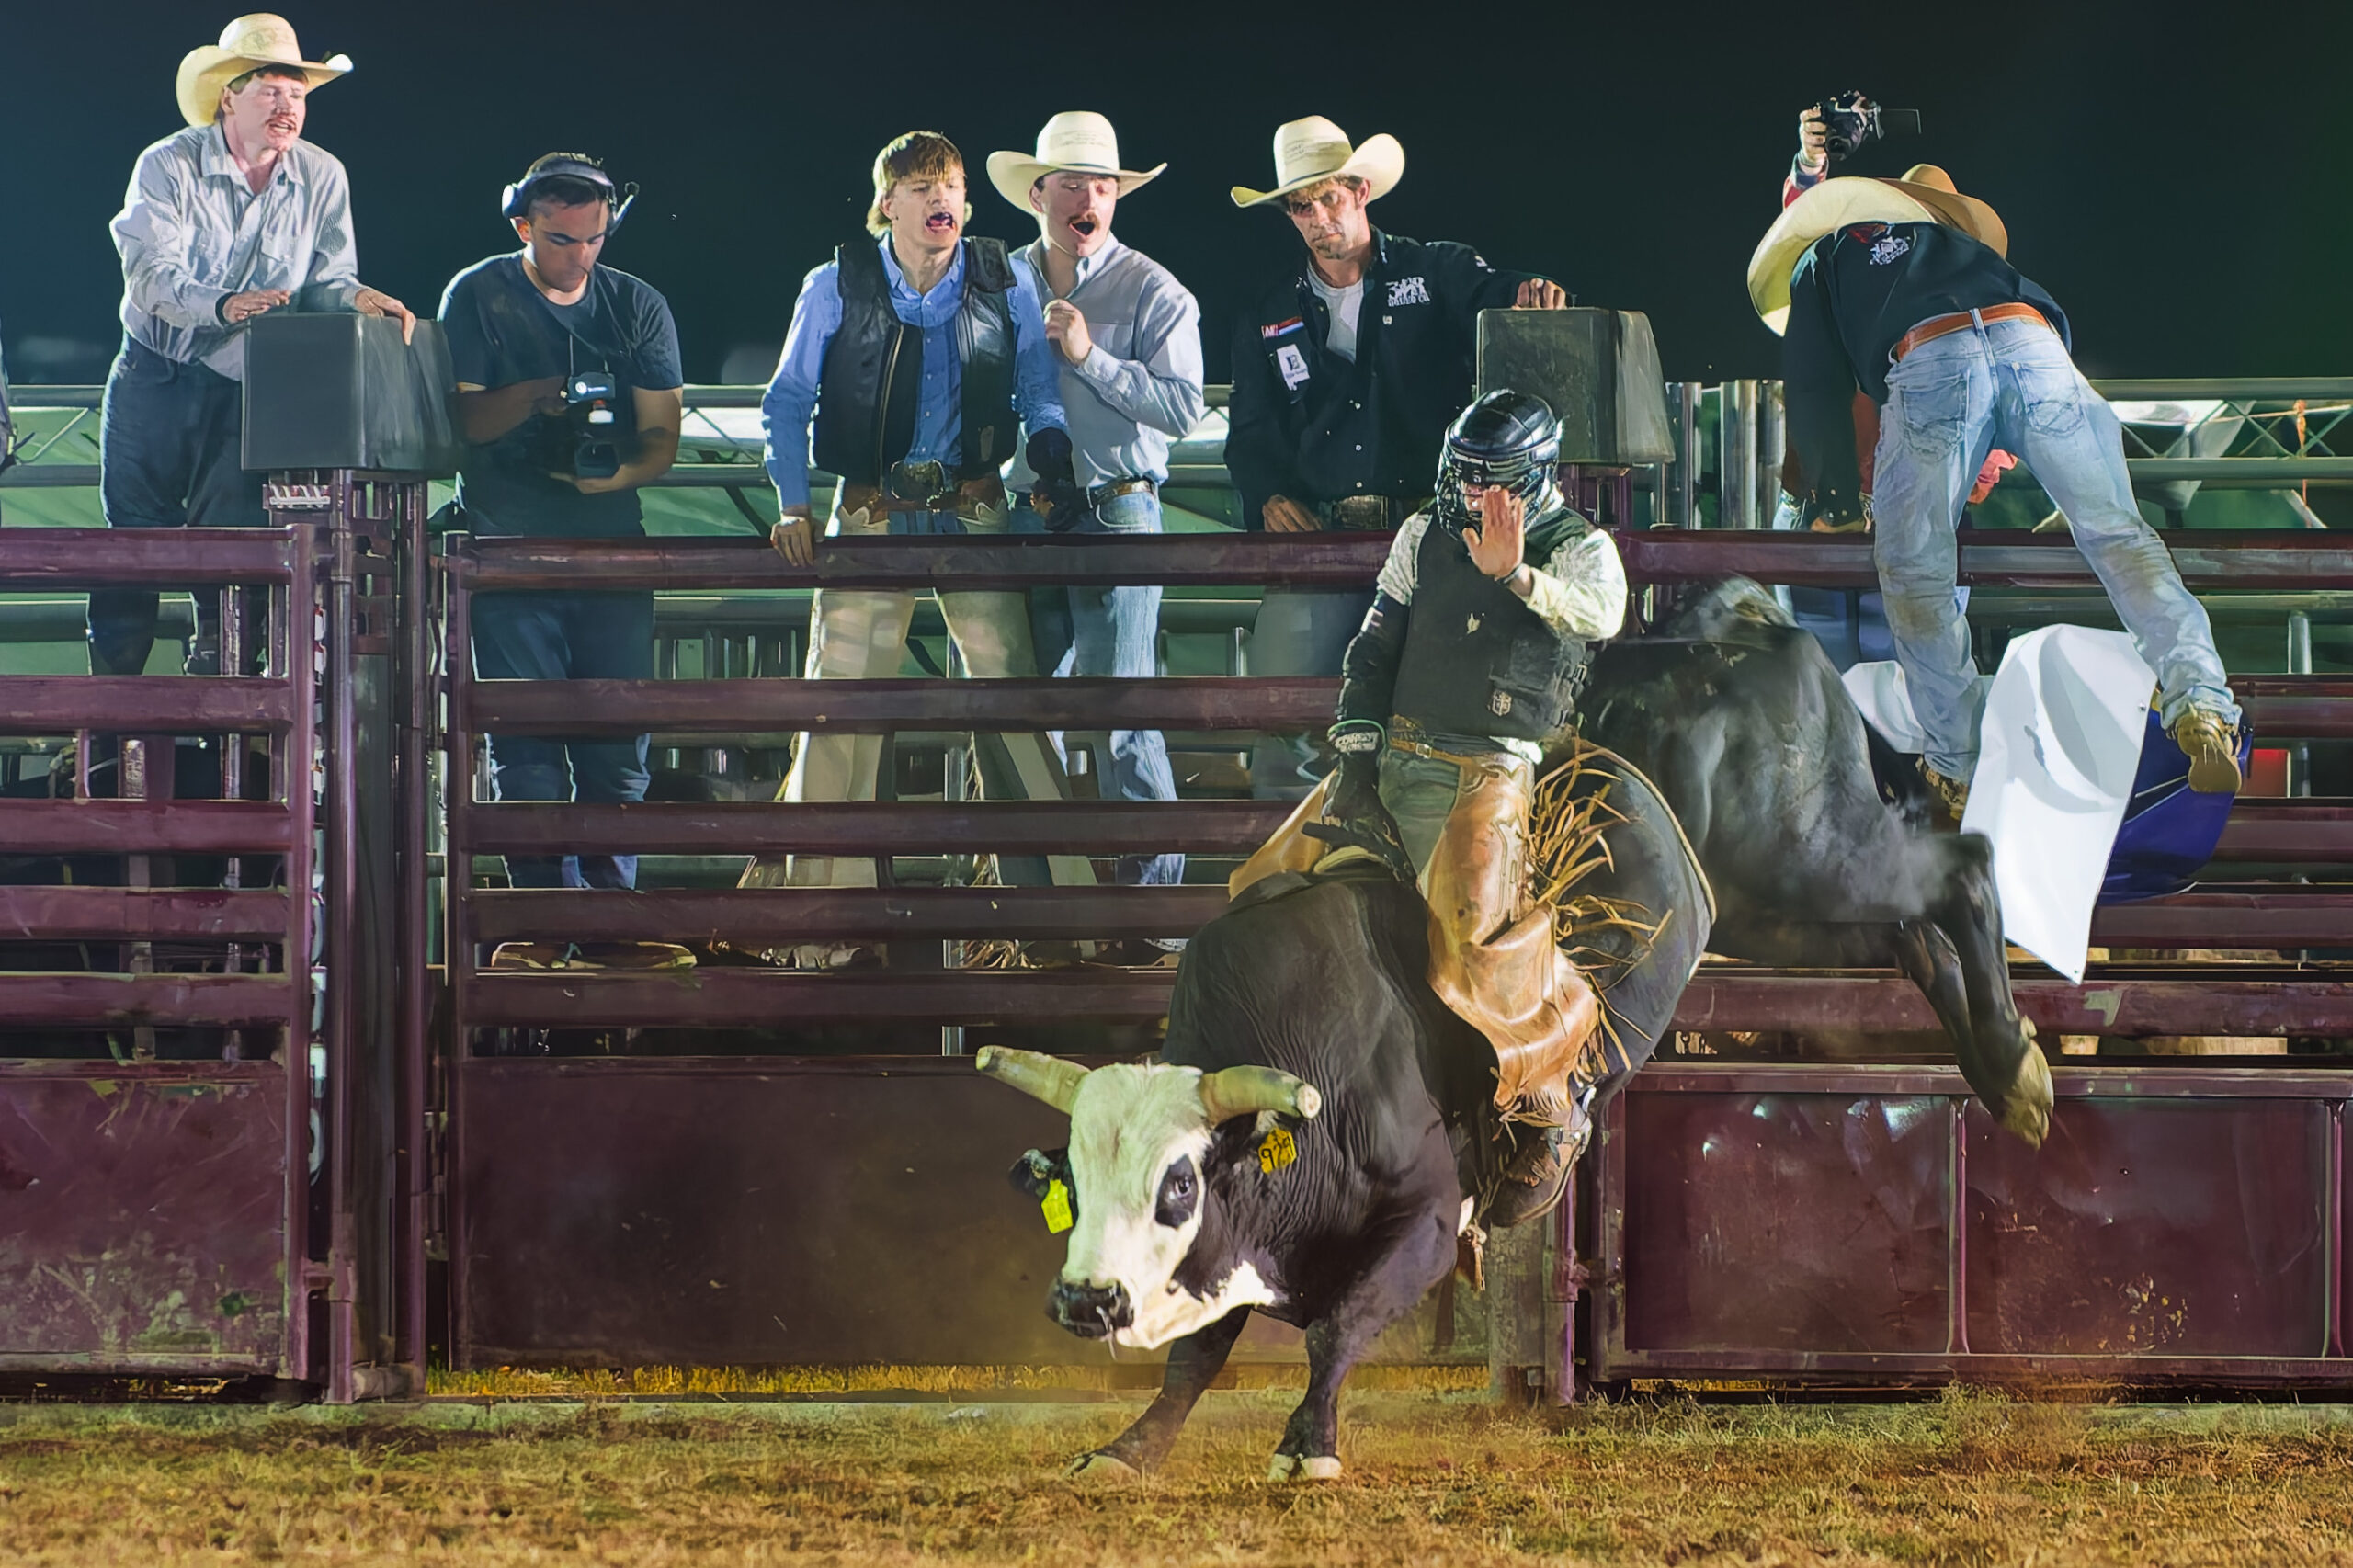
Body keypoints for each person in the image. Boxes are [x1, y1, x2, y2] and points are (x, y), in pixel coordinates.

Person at [1233, 392, 1626, 1214]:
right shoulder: (1420, 535)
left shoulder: (1579, 549)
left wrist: (1516, 575)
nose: (1468, 490)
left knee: (1474, 945)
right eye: (1463, 471)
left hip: (1490, 768)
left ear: (1530, 481)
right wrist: (1355, 748)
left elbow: (1602, 614)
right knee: (1262, 885)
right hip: (1396, 753)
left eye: (1488, 478)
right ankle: (1273, 1105)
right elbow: (1374, 645)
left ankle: (1552, 1099)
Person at [1754, 163, 2244, 812]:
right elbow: (2042, 314)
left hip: (1929, 358)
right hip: (2036, 344)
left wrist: (1839, 506)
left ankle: (1958, 765)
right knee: (2120, 534)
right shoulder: (1958, 246)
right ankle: (2203, 702)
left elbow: (1814, 386)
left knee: (1916, 568)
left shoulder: (1823, 258)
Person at [747, 131, 1078, 970]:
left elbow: (1040, 394)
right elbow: (785, 401)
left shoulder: (1005, 280)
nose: (943, 198)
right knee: (841, 705)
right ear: (886, 203)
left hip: (972, 504)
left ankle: (1058, 918)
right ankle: (822, 925)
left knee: (1013, 699)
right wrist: (792, 505)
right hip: (869, 509)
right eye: (924, 184)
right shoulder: (833, 284)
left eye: (955, 185)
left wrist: (1049, 460)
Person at [1223, 117, 1567, 801]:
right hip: (1318, 545)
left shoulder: (1431, 270)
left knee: (1431, 718)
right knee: (1284, 718)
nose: (1320, 218)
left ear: (1360, 191)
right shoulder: (1266, 314)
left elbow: (1492, 287)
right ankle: (1292, 885)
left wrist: (1529, 293)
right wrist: (1266, 494)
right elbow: (1250, 432)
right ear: (1289, 216)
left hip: (1425, 539)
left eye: (1330, 198)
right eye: (1302, 205)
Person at [95, 13, 414, 677]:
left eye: (297, 93)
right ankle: (111, 716)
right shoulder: (168, 163)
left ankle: (225, 717)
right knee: (133, 547)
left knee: (237, 554)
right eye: (270, 89)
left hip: (249, 385)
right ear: (229, 96)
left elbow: (329, 276)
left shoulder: (324, 175)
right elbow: (150, 273)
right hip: (159, 372)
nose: (288, 106)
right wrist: (219, 305)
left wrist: (359, 299)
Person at [437, 153, 682, 952]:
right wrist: (545, 394)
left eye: (594, 238)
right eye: (562, 239)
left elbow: (660, 438)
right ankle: (543, 920)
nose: (581, 254)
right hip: (508, 545)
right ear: (523, 227)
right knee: (524, 744)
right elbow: (460, 424)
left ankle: (606, 924)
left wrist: (606, 476)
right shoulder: (477, 293)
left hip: (608, 541)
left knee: (618, 749)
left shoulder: (639, 302)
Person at [988, 112, 1205, 921]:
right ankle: (1035, 911)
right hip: (1025, 511)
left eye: (1104, 185)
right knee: (1024, 711)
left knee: (1121, 708)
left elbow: (1184, 409)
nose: (1091, 197)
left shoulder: (1154, 289)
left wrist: (1091, 360)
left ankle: (1148, 912)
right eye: (1074, 183)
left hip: (1118, 508)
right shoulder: (998, 280)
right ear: (1039, 193)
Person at [1770, 101, 1992, 673]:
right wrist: (1811, 163)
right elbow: (1806, 231)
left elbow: (1990, 461)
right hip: (1855, 513)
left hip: (1879, 515)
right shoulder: (1869, 282)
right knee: (1852, 682)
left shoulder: (1965, 309)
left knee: (1867, 681)